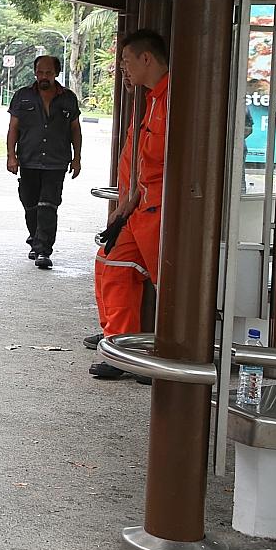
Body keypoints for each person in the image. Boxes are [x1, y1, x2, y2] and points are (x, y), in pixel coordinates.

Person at [88, 30, 168, 381]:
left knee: (171, 287)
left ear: (146, 58)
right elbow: (145, 165)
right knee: (112, 262)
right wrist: (126, 205)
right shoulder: (152, 99)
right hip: (142, 208)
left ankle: (165, 357)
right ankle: (120, 346)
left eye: (126, 61)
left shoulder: (173, 98)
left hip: (164, 211)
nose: (122, 69)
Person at [5, 55, 82, 270]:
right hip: (29, 160)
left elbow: (75, 130)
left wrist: (77, 158)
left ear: (56, 73)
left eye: (48, 73)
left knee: (48, 205)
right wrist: (12, 155)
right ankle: (35, 238)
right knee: (30, 204)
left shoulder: (68, 98)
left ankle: (43, 250)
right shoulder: (23, 96)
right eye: (40, 72)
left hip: (56, 162)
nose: (43, 77)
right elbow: (13, 128)